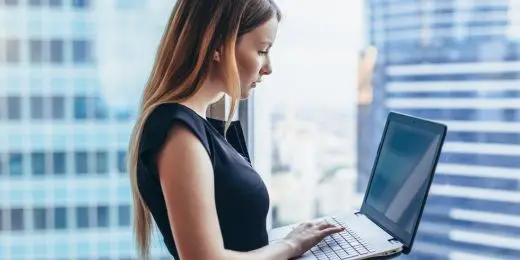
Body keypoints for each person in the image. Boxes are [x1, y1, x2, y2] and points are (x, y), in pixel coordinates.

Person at [127, 0, 345, 259]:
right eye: (262, 50)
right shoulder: (179, 134)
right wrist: (291, 245)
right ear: (218, 46)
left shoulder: (200, 126)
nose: (268, 68)